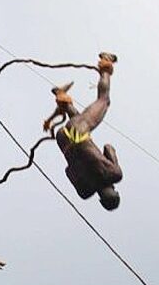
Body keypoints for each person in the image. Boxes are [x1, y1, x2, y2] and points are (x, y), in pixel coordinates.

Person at [43, 52, 123, 210]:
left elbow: (108, 147)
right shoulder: (84, 191)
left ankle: (106, 65)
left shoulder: (114, 174)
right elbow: (68, 171)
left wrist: (104, 161)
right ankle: (63, 98)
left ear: (115, 190)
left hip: (79, 133)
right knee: (80, 127)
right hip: (64, 141)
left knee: (104, 100)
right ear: (100, 199)